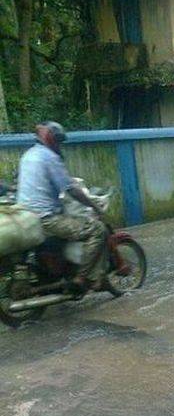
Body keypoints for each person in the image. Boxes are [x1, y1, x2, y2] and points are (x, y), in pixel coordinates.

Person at [17, 121, 106, 291]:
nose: (59, 145)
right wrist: (95, 207)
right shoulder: (49, 157)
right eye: (58, 141)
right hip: (46, 219)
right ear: (51, 139)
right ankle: (83, 278)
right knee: (97, 229)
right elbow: (72, 189)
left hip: (26, 216)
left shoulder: (28, 155)